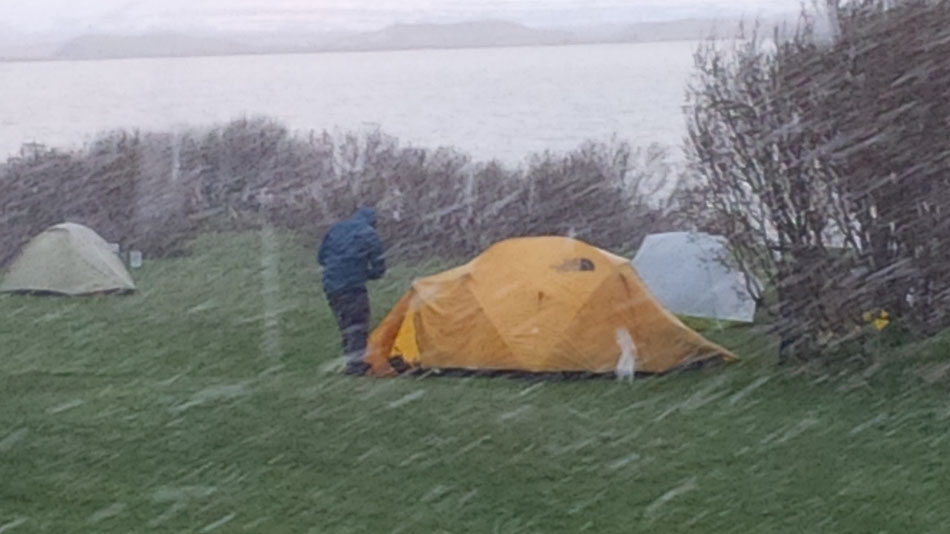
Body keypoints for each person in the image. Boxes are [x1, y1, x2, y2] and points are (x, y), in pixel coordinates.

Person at [317, 207, 386, 375]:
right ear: (373, 222)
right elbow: (379, 267)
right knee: (358, 323)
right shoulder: (370, 234)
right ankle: (356, 365)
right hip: (352, 286)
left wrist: (335, 270)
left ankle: (350, 359)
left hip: (331, 286)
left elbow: (321, 257)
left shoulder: (337, 228)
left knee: (345, 322)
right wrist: (366, 274)